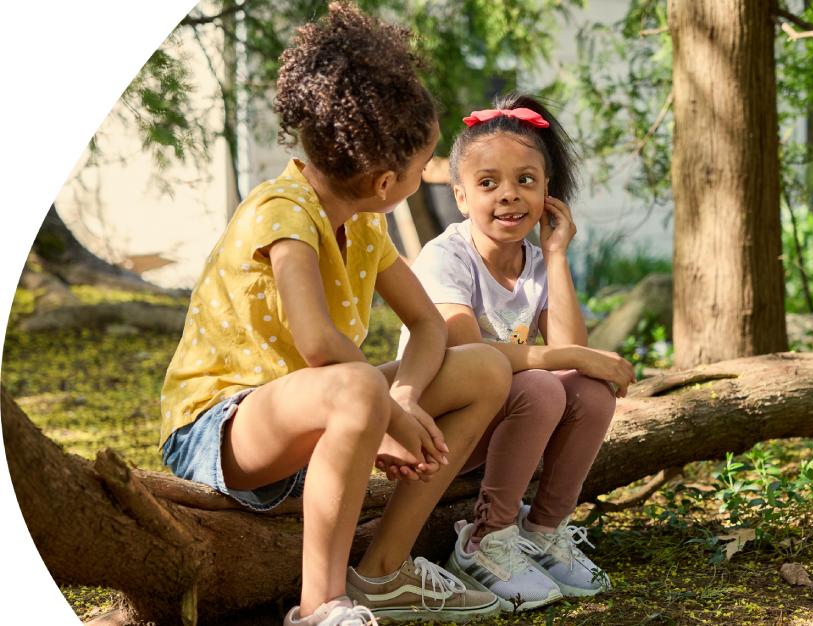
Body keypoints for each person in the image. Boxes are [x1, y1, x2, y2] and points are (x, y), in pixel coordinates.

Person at [158, 4, 511, 625]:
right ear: (383, 182)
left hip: (321, 413)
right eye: (423, 162)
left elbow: (429, 325)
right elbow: (319, 344)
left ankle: (383, 572)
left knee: (482, 367)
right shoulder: (283, 211)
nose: (428, 173)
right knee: (351, 384)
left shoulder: (366, 226)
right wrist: (390, 414)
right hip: (222, 431)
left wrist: (401, 395)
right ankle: (321, 606)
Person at [396, 92, 637, 612]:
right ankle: (487, 539)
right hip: (441, 428)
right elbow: (468, 354)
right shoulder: (447, 257)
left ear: (547, 191)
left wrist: (556, 256)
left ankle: (544, 530)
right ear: (460, 197)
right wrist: (565, 360)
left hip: (505, 423)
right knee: (539, 382)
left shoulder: (535, 260)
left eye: (526, 180)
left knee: (591, 391)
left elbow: (573, 355)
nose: (509, 196)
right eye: (488, 184)